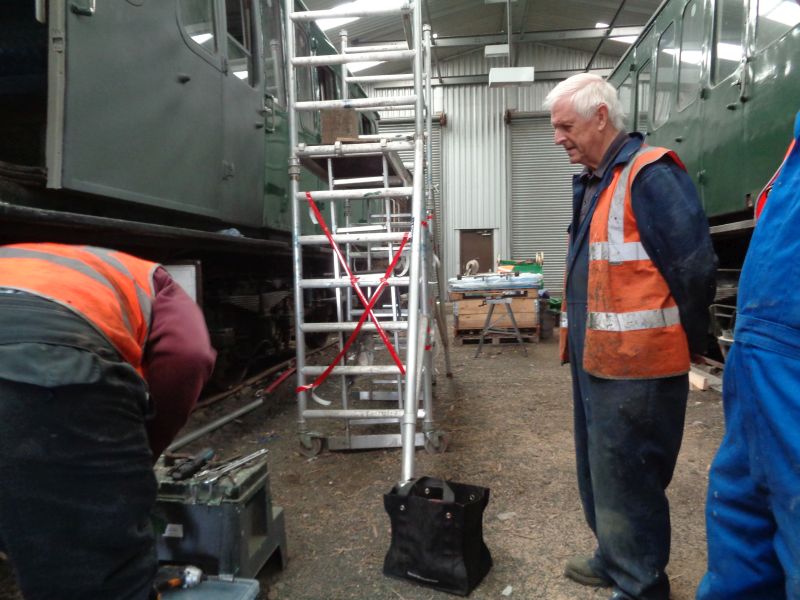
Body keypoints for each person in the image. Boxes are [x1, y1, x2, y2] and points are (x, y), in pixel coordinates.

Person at [543, 73, 717, 600]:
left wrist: (682, 339)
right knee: (601, 471)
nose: (558, 138)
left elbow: (694, 270)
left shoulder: (650, 174)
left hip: (639, 364)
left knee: (632, 476)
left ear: (601, 117)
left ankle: (641, 585)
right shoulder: (597, 180)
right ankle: (613, 555)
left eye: (565, 126)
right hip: (599, 359)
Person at [0, 242, 216, 600]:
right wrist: (142, 449)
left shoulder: (14, 257)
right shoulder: (153, 277)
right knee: (98, 579)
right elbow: (188, 356)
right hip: (49, 372)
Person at [697, 111, 800, 600]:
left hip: (783, 354)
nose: (558, 137)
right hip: (761, 355)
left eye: (566, 125)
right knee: (741, 515)